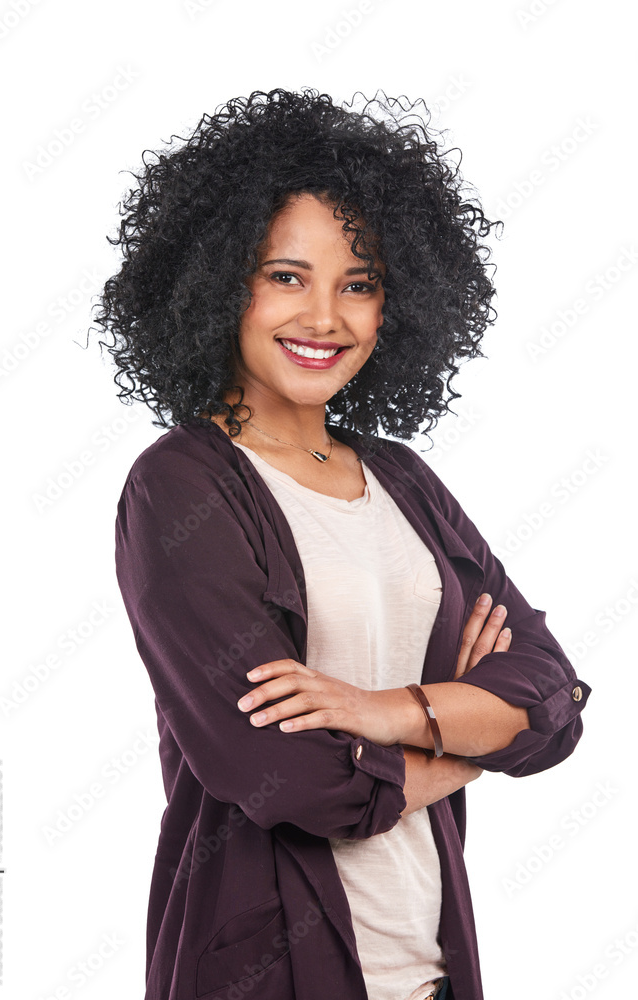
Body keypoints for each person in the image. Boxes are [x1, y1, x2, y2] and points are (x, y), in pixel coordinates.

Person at [95, 88, 591, 1000]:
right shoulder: (181, 487)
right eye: (286, 275)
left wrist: (380, 710)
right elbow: (293, 781)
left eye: (357, 284)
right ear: (214, 282)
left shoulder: (402, 480)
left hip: (432, 971)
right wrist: (474, 731)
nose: (324, 317)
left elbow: (554, 699)